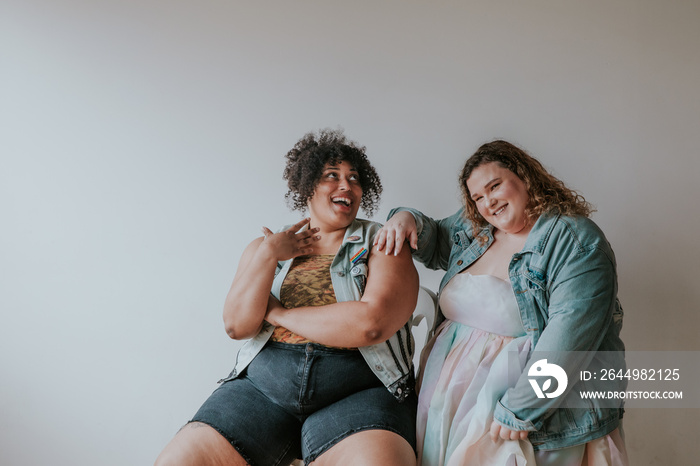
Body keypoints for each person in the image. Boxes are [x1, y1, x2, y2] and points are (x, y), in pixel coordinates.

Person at [155, 129, 419, 466]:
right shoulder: (266, 248)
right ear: (307, 186)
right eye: (332, 176)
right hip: (262, 391)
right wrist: (268, 255)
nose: (347, 185)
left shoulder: (382, 243)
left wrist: (280, 314)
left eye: (354, 178)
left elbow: (371, 324)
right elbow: (237, 326)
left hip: (359, 390)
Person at [375, 140, 628, 466]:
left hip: (528, 410)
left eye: (495, 186)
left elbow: (570, 335)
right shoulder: (476, 227)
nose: (488, 202)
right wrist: (404, 217)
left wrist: (519, 409)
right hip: (449, 397)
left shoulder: (574, 239)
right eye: (477, 197)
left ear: (525, 177)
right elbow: (436, 239)